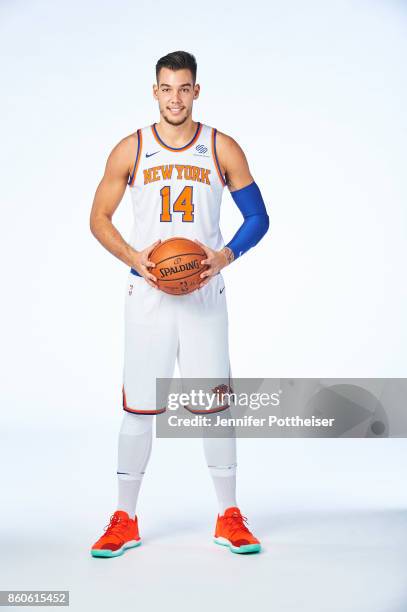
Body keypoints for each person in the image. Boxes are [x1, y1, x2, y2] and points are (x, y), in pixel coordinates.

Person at [89, 50, 269, 557]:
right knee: (140, 410)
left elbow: (258, 217)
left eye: (184, 88)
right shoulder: (132, 148)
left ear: (196, 91)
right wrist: (133, 257)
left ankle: (228, 515)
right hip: (147, 295)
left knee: (214, 408)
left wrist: (224, 255)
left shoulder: (221, 147)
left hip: (204, 293)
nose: (175, 97)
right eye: (166, 88)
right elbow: (99, 218)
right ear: (155, 92)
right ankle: (124, 517)